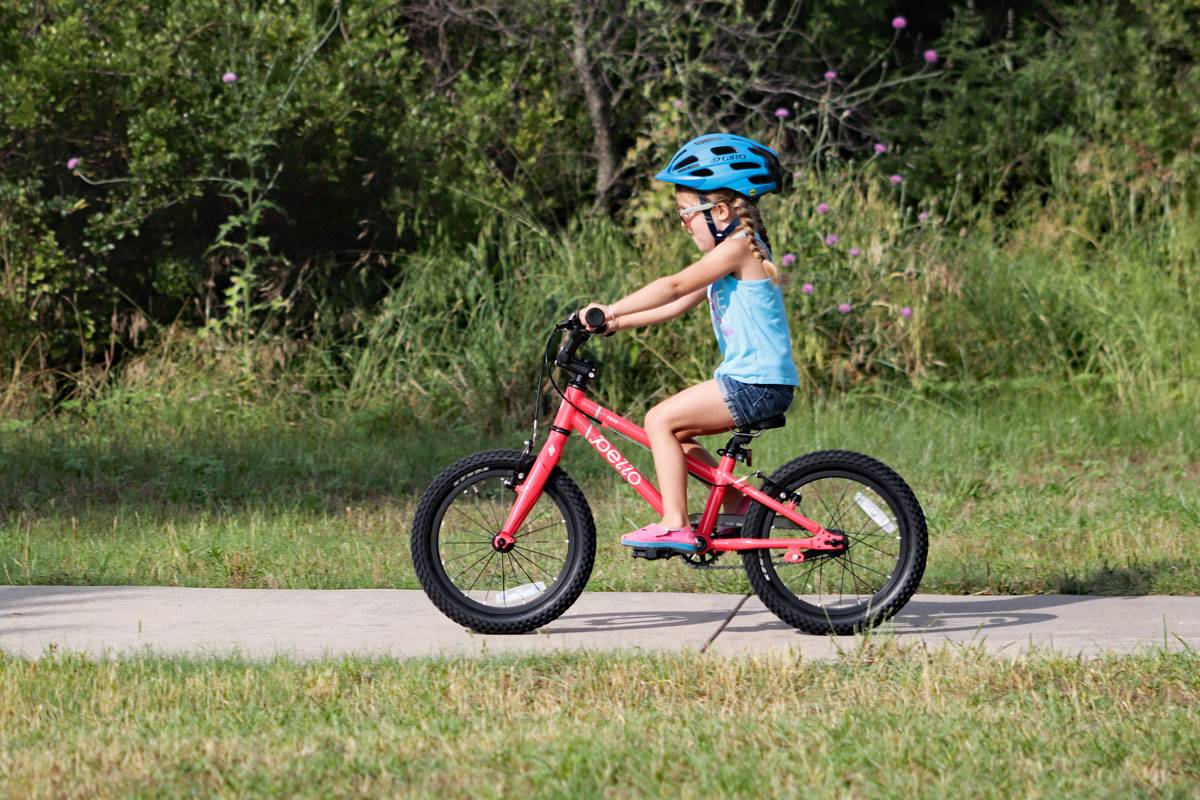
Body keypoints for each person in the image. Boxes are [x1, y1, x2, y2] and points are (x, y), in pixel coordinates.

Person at [579, 133, 801, 554]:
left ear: (719, 210)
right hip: (755, 381)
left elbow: (674, 284)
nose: (683, 223)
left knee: (659, 420)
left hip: (753, 382)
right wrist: (615, 323)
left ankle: (675, 524)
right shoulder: (735, 253)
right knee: (676, 440)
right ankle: (735, 506)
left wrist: (608, 307)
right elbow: (677, 303)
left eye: (686, 214)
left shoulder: (737, 250)